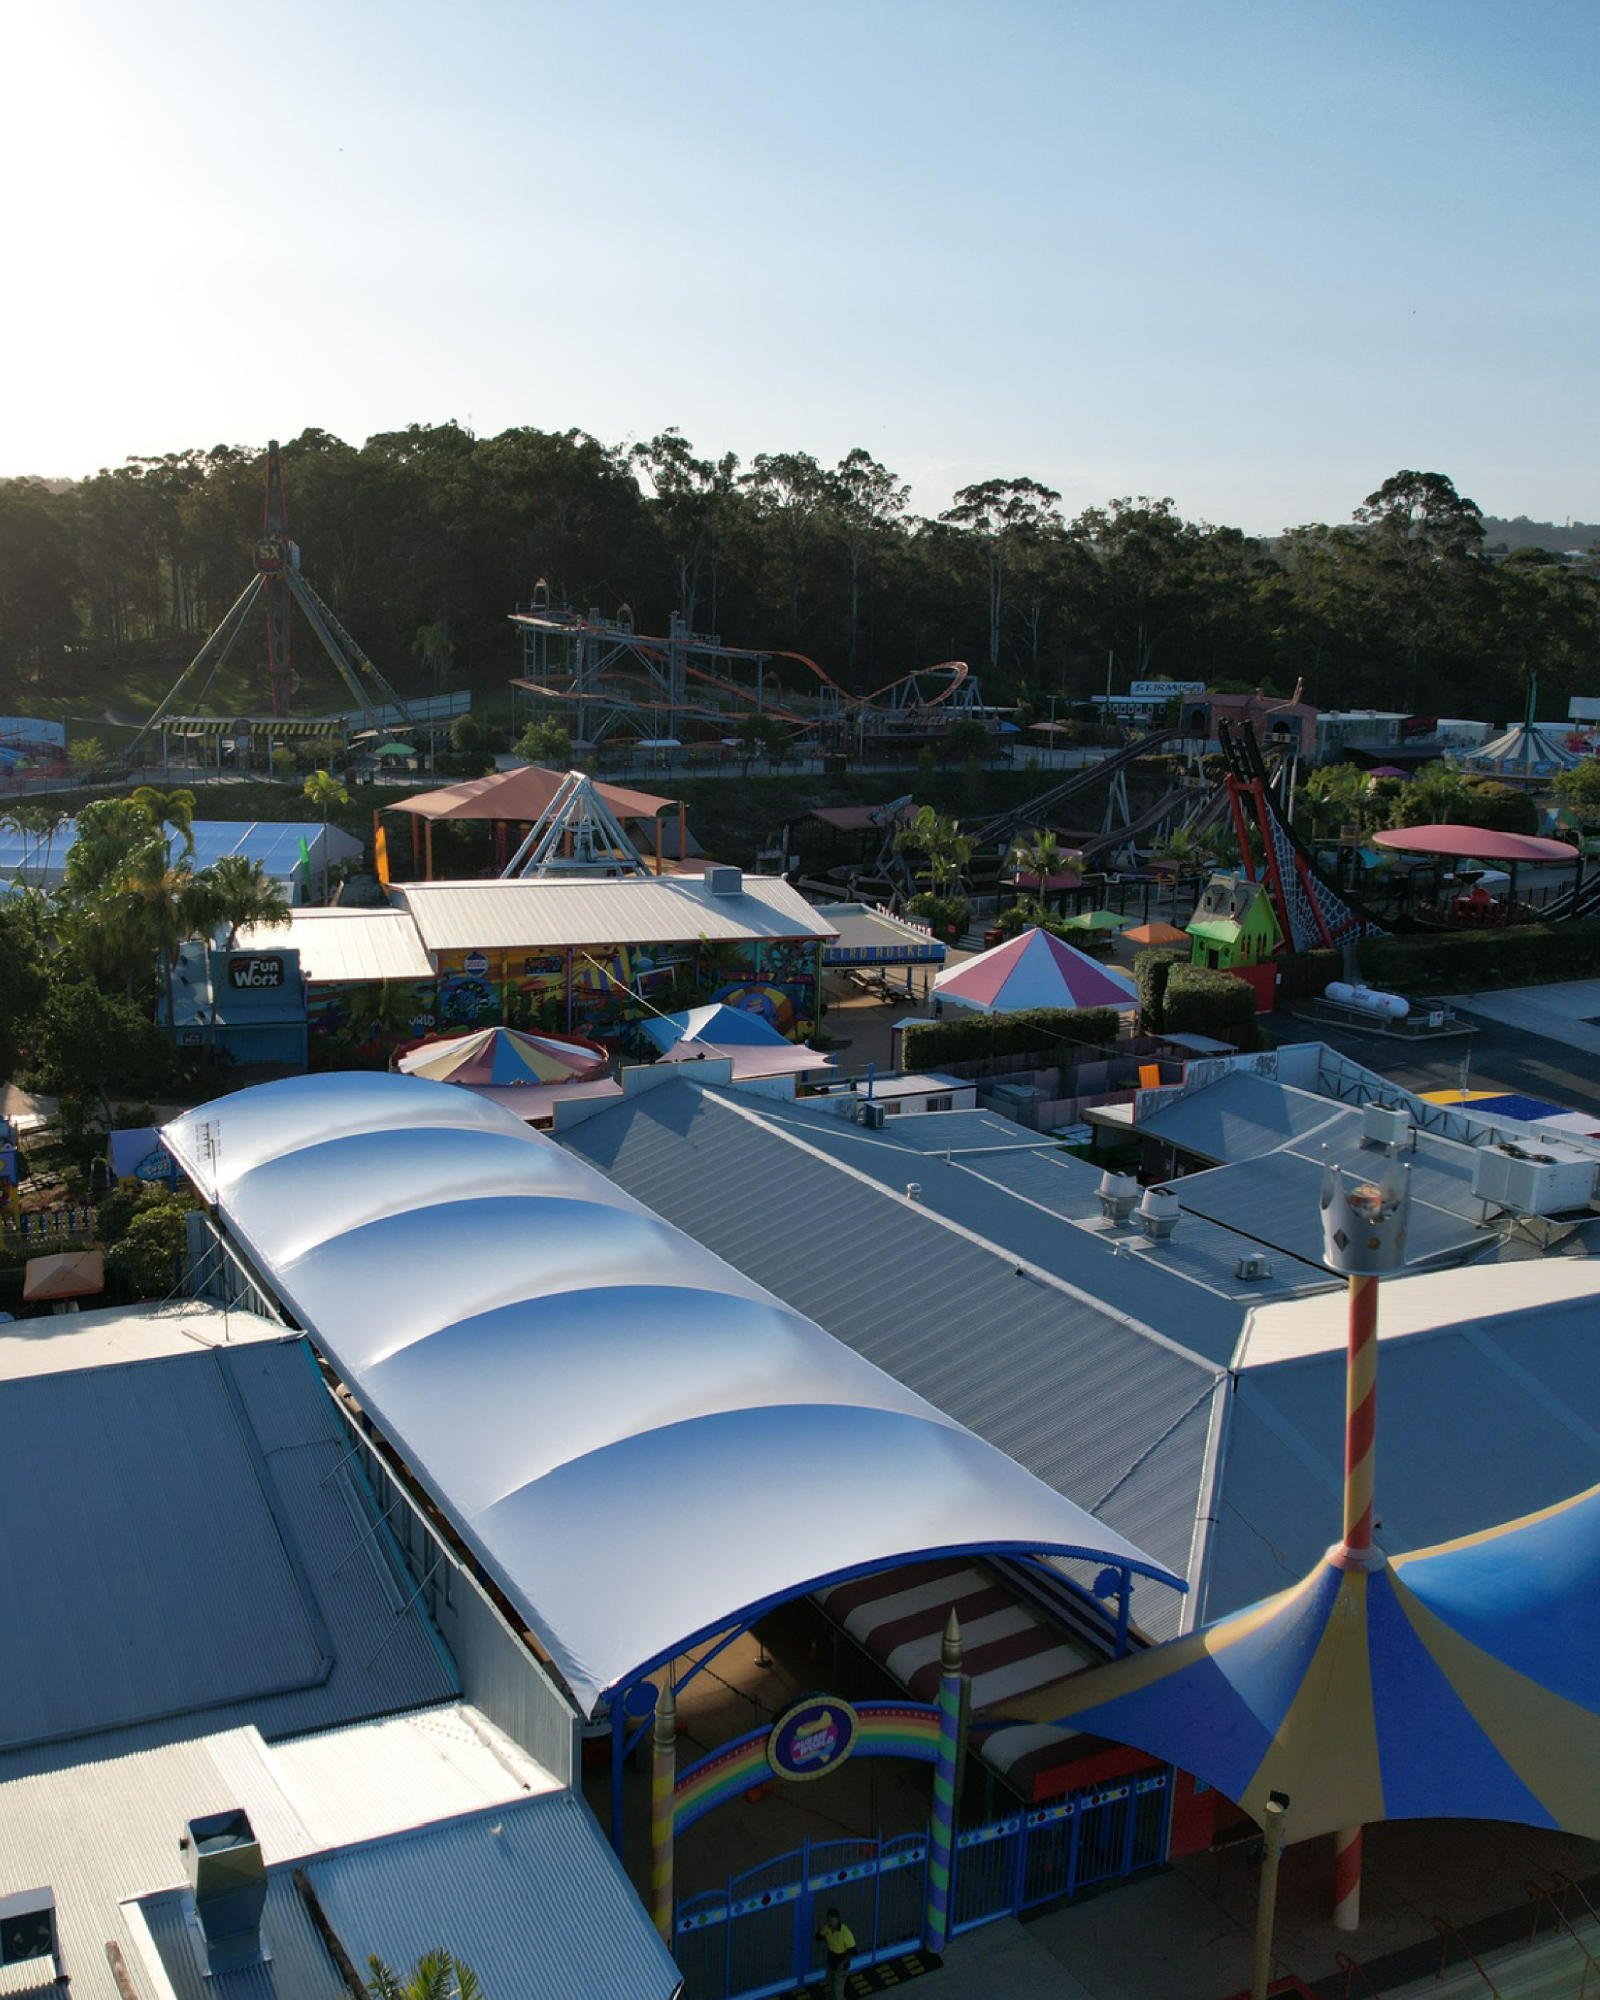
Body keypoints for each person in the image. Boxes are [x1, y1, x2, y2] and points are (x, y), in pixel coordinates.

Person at [815, 1907, 856, 1998]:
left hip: (841, 1965)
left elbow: (852, 1951)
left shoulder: (845, 1933)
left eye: (832, 1920)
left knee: (838, 1991)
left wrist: (842, 1963)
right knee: (831, 1986)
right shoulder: (827, 1928)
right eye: (828, 1920)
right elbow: (819, 1937)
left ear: (837, 1919)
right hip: (831, 1962)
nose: (830, 1923)